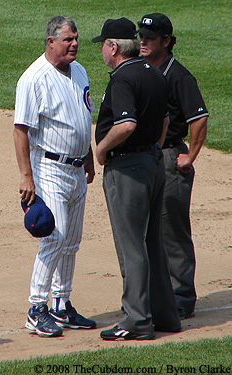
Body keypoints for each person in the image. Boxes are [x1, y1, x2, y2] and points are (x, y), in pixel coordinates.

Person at [92, 17, 182, 340]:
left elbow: (126, 125)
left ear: (113, 48)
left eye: (102, 45)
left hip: (128, 169)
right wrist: (152, 152)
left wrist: (101, 150)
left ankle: (137, 319)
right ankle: (165, 316)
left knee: (131, 244)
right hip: (153, 164)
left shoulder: (122, 79)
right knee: (152, 243)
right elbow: (166, 119)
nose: (101, 50)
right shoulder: (154, 73)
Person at [13, 16, 97, 338]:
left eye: (76, 38)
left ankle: (61, 304)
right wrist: (26, 176)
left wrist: (88, 157)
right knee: (54, 238)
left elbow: (81, 117)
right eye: (67, 40)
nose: (74, 44)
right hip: (48, 168)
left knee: (72, 241)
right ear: (50, 42)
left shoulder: (79, 71)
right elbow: (21, 131)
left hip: (76, 168)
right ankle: (37, 308)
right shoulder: (33, 78)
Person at [137, 13, 209, 320]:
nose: (142, 41)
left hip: (170, 158)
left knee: (172, 230)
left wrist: (190, 157)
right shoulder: (141, 70)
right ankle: (160, 294)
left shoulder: (179, 76)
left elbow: (199, 118)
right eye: (141, 36)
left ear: (166, 42)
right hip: (146, 157)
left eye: (150, 38)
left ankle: (181, 295)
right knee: (147, 228)